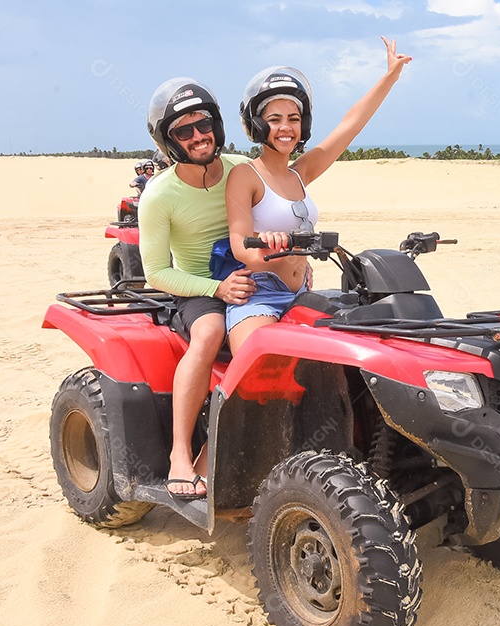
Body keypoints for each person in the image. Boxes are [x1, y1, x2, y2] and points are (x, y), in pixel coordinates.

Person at [225, 37, 411, 352]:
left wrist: (389, 78)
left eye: (293, 119)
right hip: (260, 295)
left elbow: (349, 126)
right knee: (260, 366)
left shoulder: (301, 172)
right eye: (274, 120)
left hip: (302, 295)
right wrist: (270, 244)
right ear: (257, 125)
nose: (286, 127)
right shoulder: (245, 175)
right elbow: (241, 245)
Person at [139, 77, 257, 500]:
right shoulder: (159, 195)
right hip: (198, 290)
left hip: (254, 282)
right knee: (209, 333)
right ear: (169, 141)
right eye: (183, 131)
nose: (198, 136)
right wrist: (217, 288)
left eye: (203, 123)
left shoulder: (242, 170)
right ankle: (182, 454)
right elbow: (156, 272)